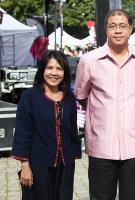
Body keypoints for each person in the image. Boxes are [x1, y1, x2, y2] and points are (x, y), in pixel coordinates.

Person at [74, 9, 135, 200]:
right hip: (101, 144)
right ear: (105, 30)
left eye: (122, 26)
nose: (117, 31)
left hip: (134, 144)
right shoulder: (89, 60)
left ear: (130, 30)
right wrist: (102, 113)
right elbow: (81, 95)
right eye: (112, 26)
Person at [11, 50, 82, 200]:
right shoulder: (29, 97)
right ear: (42, 70)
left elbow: (72, 130)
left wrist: (73, 154)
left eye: (59, 69)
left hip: (65, 165)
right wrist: (25, 166)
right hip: (38, 165)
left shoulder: (69, 98)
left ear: (65, 72)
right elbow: (23, 133)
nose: (54, 73)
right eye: (50, 68)